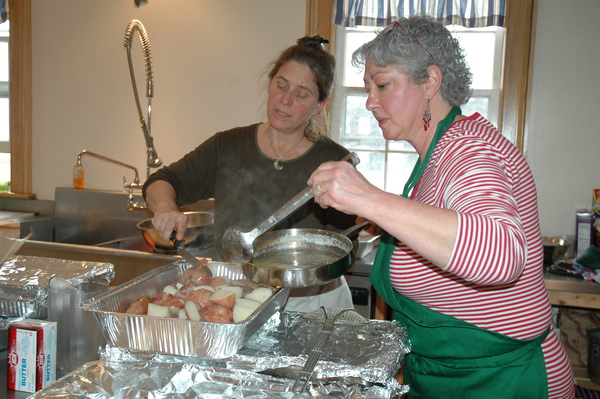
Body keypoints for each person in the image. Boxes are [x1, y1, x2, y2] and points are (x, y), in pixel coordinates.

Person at [307, 15, 575, 399]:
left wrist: (371, 197)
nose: (369, 102)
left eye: (382, 84)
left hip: (502, 381)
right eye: (368, 88)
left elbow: (501, 253)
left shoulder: (470, 148)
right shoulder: (436, 155)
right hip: (448, 376)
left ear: (430, 81)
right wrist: (381, 221)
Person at [142, 36, 357, 313]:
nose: (286, 99)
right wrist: (165, 207)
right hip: (232, 299)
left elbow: (344, 245)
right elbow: (162, 182)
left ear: (318, 106)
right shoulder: (227, 146)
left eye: (302, 94)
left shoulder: (334, 162)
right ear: (270, 84)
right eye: (281, 85)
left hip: (307, 304)